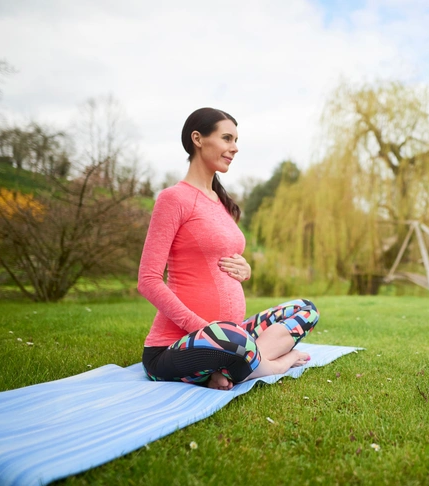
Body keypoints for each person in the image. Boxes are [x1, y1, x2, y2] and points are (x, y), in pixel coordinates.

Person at [137, 107, 319, 391]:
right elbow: (147, 281)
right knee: (232, 339)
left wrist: (245, 269)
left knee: (305, 310)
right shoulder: (173, 199)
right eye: (227, 138)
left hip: (232, 336)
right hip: (177, 346)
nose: (234, 148)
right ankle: (273, 365)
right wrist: (203, 329)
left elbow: (215, 258)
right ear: (198, 139)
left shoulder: (220, 203)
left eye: (235, 140)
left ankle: (233, 367)